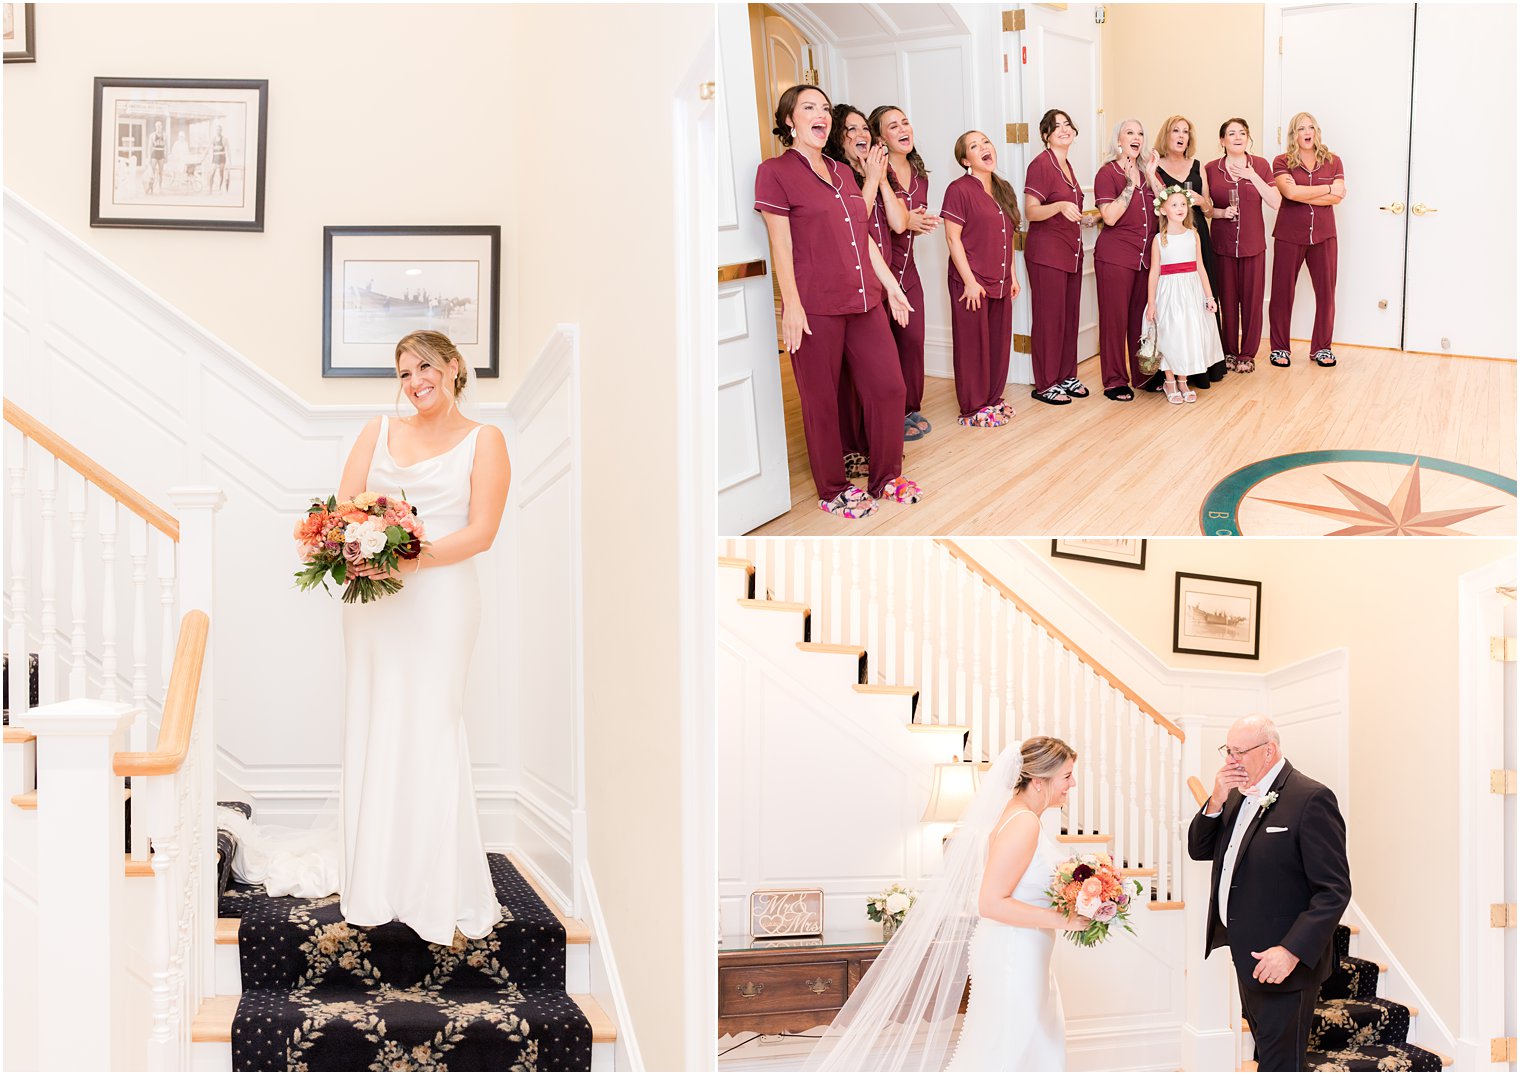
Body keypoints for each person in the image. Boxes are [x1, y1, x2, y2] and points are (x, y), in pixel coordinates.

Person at [806, 737, 1086, 1072]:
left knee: (1026, 1045)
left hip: (1022, 950)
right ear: (1039, 781)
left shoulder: (1020, 815)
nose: (1073, 783)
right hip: (1013, 954)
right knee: (1012, 1049)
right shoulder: (1023, 822)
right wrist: (1063, 919)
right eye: (1067, 775)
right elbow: (991, 902)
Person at [755, 84, 922, 519]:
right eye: (809, 107)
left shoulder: (842, 171)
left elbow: (864, 236)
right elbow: (781, 246)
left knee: (889, 387)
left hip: (864, 299)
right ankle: (833, 489)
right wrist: (790, 305)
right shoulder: (773, 171)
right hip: (815, 308)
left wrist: (892, 287)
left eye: (825, 108)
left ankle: (886, 477)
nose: (820, 114)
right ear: (789, 120)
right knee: (821, 400)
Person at [1188, 716, 1351, 1072]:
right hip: (1246, 957)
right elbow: (1199, 849)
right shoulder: (1234, 795)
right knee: (1268, 1058)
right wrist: (1215, 800)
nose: (1229, 761)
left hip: (1284, 964)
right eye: (1227, 751)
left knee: (1282, 1065)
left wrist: (1291, 951)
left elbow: (1334, 890)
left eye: (1237, 752)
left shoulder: (1311, 798)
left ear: (1269, 751)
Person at [825, 104, 894, 479]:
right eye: (850, 129)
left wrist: (879, 177)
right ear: (839, 138)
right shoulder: (839, 178)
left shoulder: (871, 172)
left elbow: (895, 222)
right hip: (848, 284)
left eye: (863, 127)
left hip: (876, 280)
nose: (860, 133)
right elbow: (856, 223)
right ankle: (850, 449)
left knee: (878, 376)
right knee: (848, 379)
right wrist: (871, 179)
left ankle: (872, 448)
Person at [941, 130, 1022, 428]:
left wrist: (1012, 275)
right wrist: (969, 281)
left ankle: (991, 399)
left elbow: (1009, 235)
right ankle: (972, 408)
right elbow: (952, 238)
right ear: (966, 160)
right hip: (972, 283)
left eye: (985, 142)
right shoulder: (959, 189)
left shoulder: (1004, 189)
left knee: (998, 343)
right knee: (973, 345)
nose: (984, 147)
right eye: (974, 146)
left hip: (1000, 280)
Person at [870, 104, 939, 442]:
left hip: (909, 269)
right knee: (887, 347)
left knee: (913, 341)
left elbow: (911, 219)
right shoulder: (874, 172)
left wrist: (921, 222)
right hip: (882, 270)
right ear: (880, 137)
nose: (903, 129)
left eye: (906, 122)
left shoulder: (919, 172)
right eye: (893, 125)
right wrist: (906, 220)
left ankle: (911, 407)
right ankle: (891, 413)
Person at [1024, 109, 1094, 406]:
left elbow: (1067, 208)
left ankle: (1066, 375)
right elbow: (1031, 211)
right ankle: (1046, 382)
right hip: (1047, 254)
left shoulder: (1067, 165)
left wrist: (1082, 218)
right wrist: (1059, 206)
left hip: (1070, 252)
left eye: (1067, 124)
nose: (1064, 129)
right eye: (1056, 126)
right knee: (1049, 320)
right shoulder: (1041, 165)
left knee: (1068, 318)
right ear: (1045, 136)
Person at [1268, 112, 1346, 369]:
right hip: (1289, 235)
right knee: (1282, 293)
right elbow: (1289, 191)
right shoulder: (1281, 161)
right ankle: (1279, 348)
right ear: (1294, 134)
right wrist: (1326, 189)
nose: (1307, 131)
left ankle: (1322, 348)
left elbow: (1338, 197)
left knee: (1326, 294)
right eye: (1301, 128)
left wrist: (1303, 194)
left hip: (1324, 236)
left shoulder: (1334, 161)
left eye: (1310, 127)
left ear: (1317, 131)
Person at [1151, 115, 1224, 388]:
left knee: (1199, 297)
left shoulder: (1198, 165)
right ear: (1166, 135)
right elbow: (1157, 201)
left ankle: (1202, 367)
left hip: (1196, 234)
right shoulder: (1155, 165)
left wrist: (1202, 201)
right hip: (1171, 238)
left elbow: (1208, 209)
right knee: (1173, 305)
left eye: (1186, 132)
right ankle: (1170, 372)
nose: (1181, 136)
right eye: (1175, 131)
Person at [1204, 118, 1280, 373]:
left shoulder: (1260, 165)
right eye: (1231, 133)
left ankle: (1247, 354)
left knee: (1252, 302)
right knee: (1226, 301)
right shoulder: (1211, 169)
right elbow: (1205, 209)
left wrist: (1252, 175)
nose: (1237, 137)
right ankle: (1228, 352)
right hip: (1222, 246)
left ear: (1248, 138)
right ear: (1222, 141)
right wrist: (1222, 213)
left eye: (1242, 133)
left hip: (1253, 245)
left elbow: (1276, 201)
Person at [1093, 119, 1161, 401]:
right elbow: (1109, 216)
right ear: (1118, 140)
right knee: (1114, 321)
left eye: (1140, 133)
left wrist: (1153, 174)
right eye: (1129, 132)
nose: (1136, 137)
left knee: (1140, 320)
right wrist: (1130, 186)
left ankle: (1143, 376)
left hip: (1144, 260)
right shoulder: (1106, 173)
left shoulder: (1147, 173)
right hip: (1115, 258)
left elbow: (1166, 207)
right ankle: (1114, 380)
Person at [1146, 187, 1225, 404]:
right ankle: (1169, 381)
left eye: (1183, 204)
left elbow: (1200, 267)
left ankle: (1183, 380)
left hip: (1191, 292)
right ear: (1163, 210)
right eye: (1174, 205)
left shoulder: (1193, 235)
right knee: (1170, 335)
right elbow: (1154, 272)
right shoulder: (1159, 239)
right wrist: (1152, 303)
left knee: (1188, 335)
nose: (1180, 208)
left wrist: (1209, 297)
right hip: (1169, 293)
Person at [208, 122, 230, 193]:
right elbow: (208, 148)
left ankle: (219, 189)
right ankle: (210, 190)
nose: (218, 131)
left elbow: (228, 150)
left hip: (222, 158)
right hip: (215, 158)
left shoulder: (224, 139)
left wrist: (230, 160)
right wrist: (203, 158)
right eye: (217, 130)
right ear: (215, 131)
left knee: (221, 173)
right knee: (211, 174)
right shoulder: (213, 139)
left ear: (221, 131)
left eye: (219, 130)